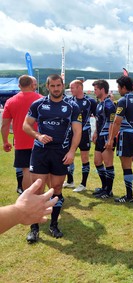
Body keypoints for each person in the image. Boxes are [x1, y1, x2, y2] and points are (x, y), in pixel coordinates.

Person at [23, 74, 82, 243]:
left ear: (63, 86)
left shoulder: (72, 106)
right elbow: (26, 125)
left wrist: (71, 152)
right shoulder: (38, 104)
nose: (56, 89)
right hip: (40, 152)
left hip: (61, 153)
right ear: (47, 87)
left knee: (56, 188)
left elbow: (77, 132)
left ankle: (54, 224)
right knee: (38, 189)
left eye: (58, 85)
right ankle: (34, 228)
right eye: (53, 86)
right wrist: (38, 135)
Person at [107, 76, 133, 203]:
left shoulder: (123, 101)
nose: (118, 90)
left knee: (126, 165)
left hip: (127, 135)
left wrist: (110, 139)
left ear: (124, 87)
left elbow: (117, 122)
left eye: (119, 87)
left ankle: (129, 195)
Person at [1, 75, 42, 193]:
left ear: (19, 86)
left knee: (26, 170)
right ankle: (49, 196)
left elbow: (4, 125)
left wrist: (5, 142)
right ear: (31, 84)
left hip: (21, 141)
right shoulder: (41, 99)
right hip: (39, 138)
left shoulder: (10, 101)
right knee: (42, 170)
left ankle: (28, 197)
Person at [63, 80, 97, 192]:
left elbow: (98, 117)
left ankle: (83, 184)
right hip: (71, 132)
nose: (70, 90)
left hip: (84, 132)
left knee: (84, 157)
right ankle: (70, 181)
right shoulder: (69, 100)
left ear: (79, 88)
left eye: (72, 88)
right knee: (68, 156)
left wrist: (96, 131)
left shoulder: (90, 101)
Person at [91, 80, 116, 199]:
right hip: (100, 136)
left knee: (108, 163)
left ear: (102, 89)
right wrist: (96, 132)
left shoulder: (109, 105)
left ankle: (109, 190)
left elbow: (113, 123)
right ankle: (104, 187)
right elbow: (98, 120)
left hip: (107, 137)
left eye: (96, 89)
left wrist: (110, 139)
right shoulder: (100, 104)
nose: (94, 91)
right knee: (97, 161)